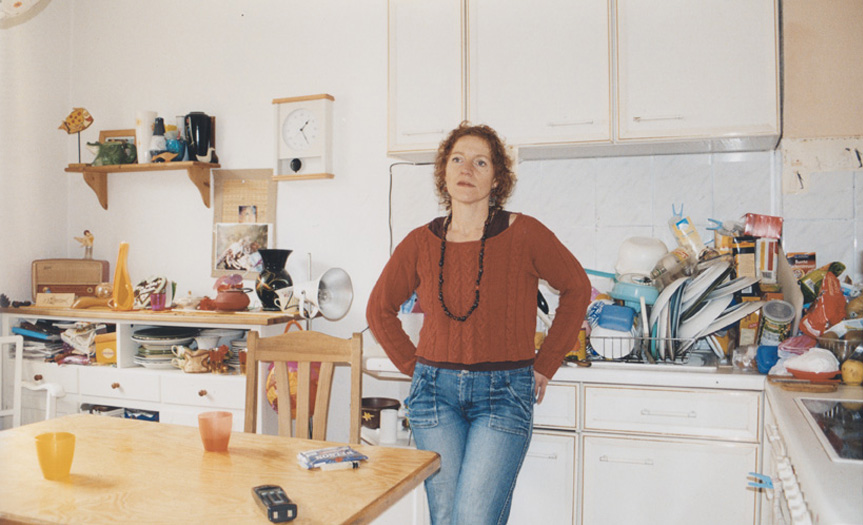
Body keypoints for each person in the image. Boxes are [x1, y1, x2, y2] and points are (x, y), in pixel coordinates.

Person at [367, 122, 591, 524]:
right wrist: (415, 368)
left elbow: (577, 288)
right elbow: (378, 309)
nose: (466, 169)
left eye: (480, 162)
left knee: (472, 517)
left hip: (504, 393)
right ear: (444, 172)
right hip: (434, 394)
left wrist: (546, 362)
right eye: (457, 159)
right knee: (446, 516)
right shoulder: (420, 242)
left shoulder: (526, 233)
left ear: (497, 178)